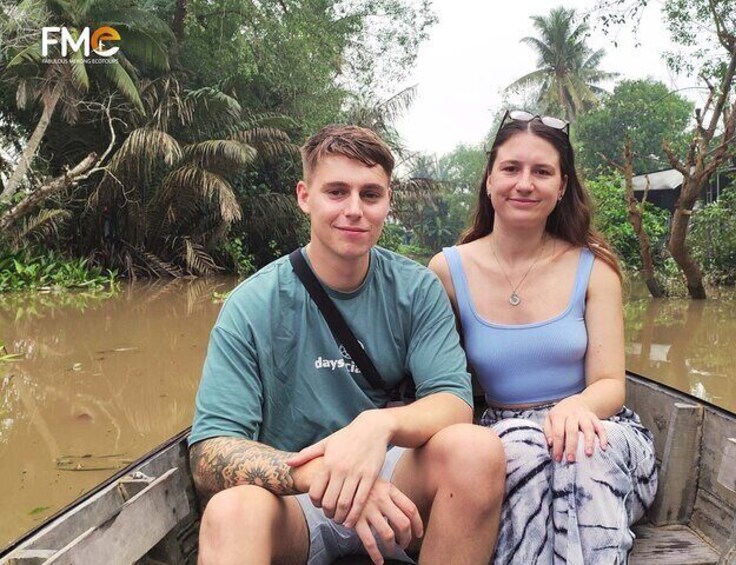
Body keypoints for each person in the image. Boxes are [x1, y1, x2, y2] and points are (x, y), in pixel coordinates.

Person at [189, 124, 505, 565]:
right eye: (336, 192)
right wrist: (325, 473)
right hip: (296, 501)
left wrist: (375, 427)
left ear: (387, 201)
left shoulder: (416, 289)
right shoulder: (253, 304)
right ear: (305, 196)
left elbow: (453, 402)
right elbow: (210, 452)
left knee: (477, 450)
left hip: (394, 489)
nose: (354, 210)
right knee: (230, 510)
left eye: (370, 195)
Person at [429, 110, 658, 564]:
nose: (525, 183)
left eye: (542, 172)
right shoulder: (447, 271)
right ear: (490, 179)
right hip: (503, 435)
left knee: (583, 452)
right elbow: (438, 380)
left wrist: (575, 407)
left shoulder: (595, 268)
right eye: (511, 168)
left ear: (562, 187)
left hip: (596, 426)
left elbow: (611, 384)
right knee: (521, 451)